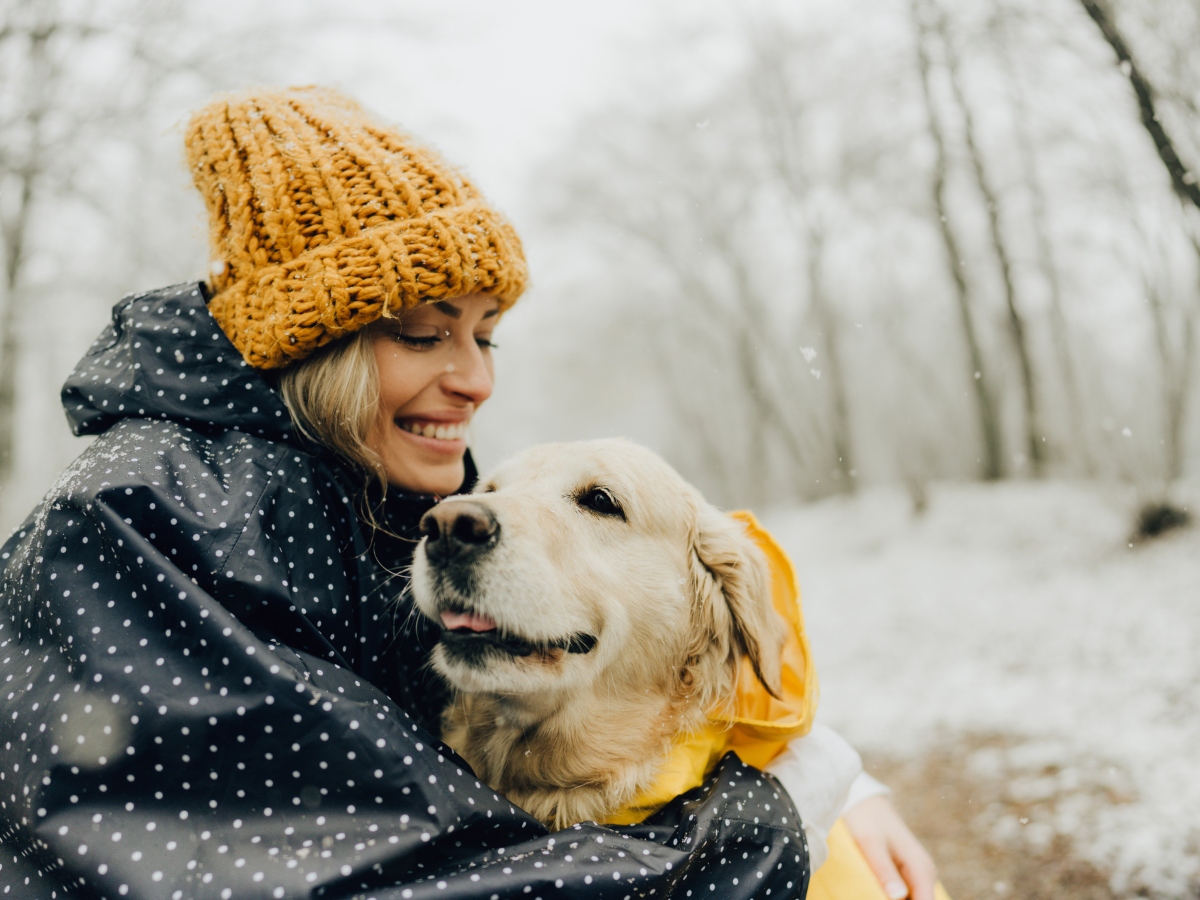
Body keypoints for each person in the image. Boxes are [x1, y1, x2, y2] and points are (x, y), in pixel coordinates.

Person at [0, 86, 935, 899]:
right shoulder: (135, 519)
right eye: (421, 333)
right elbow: (369, 874)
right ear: (309, 339)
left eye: (486, 335)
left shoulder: (379, 483)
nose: (476, 380)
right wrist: (759, 836)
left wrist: (822, 765)